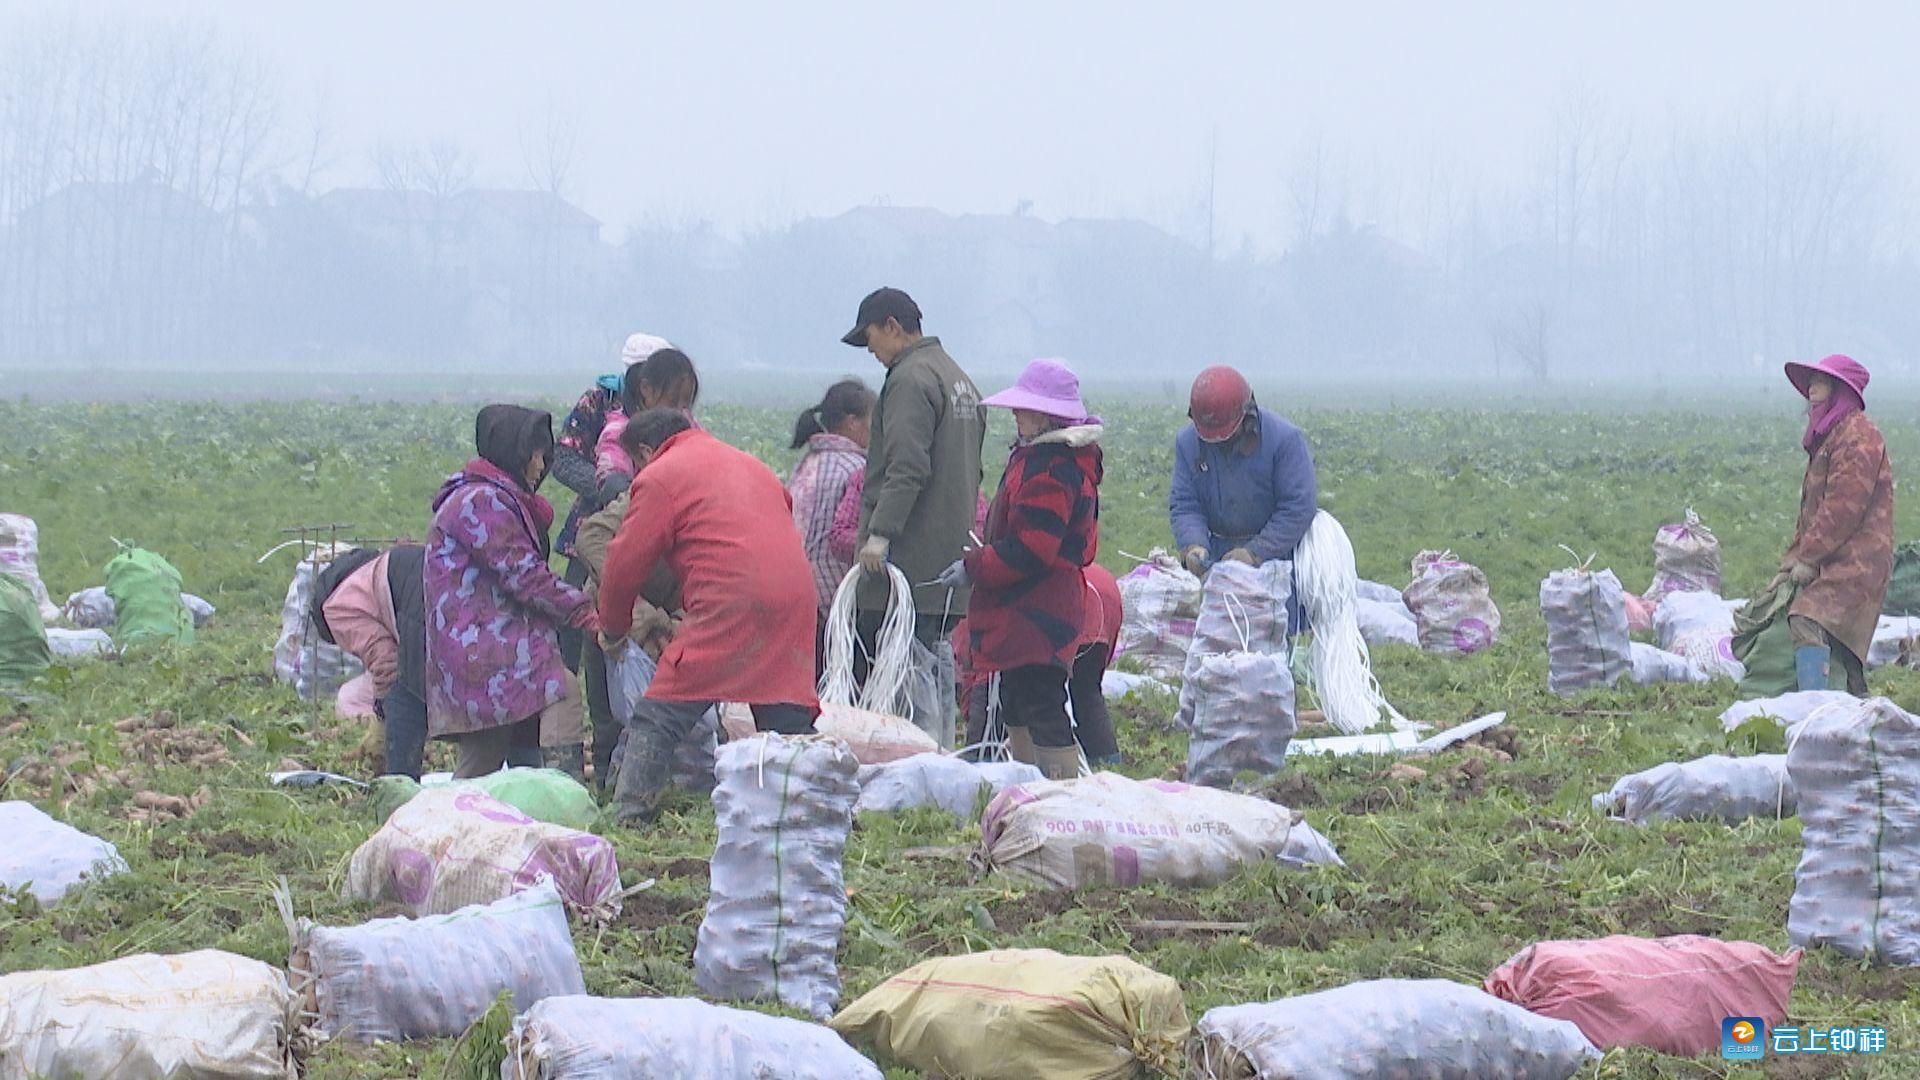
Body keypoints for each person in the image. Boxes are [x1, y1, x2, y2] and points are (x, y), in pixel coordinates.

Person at [597, 409, 820, 823]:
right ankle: (825, 804)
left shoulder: (661, 475)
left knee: (659, 715)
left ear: (646, 451)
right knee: (782, 715)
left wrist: (612, 627)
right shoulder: (748, 464)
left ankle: (628, 816)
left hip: (731, 597)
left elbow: (624, 564)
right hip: (795, 595)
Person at [938, 359, 1102, 780]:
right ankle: (1029, 785)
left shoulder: (1051, 469)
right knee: (1017, 699)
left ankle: (1061, 794)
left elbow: (1033, 549)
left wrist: (975, 566)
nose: (1016, 414)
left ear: (1047, 416)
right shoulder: (1040, 460)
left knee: (1042, 701)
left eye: (1025, 409)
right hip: (1027, 610)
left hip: (1040, 612)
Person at [841, 286, 985, 744]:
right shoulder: (957, 377)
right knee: (935, 663)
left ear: (892, 327)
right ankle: (940, 752)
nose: (873, 353)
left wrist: (880, 534)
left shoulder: (909, 379)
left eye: (871, 340)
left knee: (905, 673)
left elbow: (906, 466)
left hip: (911, 562)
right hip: (947, 561)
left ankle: (917, 765)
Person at [426, 405, 597, 779]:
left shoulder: (487, 496)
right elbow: (525, 575)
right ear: (515, 454)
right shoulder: (482, 502)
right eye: (536, 455)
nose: (541, 466)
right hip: (484, 649)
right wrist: (583, 611)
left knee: (497, 747)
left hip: (486, 644)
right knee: (559, 688)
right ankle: (558, 796)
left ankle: (523, 801)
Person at [1772, 354, 1895, 694]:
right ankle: (1856, 709)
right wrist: (1792, 559)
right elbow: (1812, 511)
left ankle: (1816, 709)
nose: (1812, 389)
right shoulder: (1829, 438)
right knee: (1842, 647)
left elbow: (1842, 508)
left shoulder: (1858, 437)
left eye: (1821, 382)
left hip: (1858, 559)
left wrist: (1809, 558)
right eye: (1811, 382)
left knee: (1807, 618)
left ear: (1840, 389)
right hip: (1835, 554)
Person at [957, 559, 1124, 768]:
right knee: (1087, 690)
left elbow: (984, 685)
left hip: (1060, 600)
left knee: (1040, 701)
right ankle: (1107, 764)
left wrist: (976, 752)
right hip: (1101, 592)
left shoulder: (972, 625)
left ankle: (1047, 777)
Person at [1169, 365, 1318, 576]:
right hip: (1216, 557)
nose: (1218, 442)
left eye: (1224, 434)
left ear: (1247, 416)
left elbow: (1298, 506)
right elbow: (1185, 502)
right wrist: (1193, 544)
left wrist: (1255, 552)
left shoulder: (1285, 440)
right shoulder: (1187, 443)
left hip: (1278, 559)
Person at [313, 543, 430, 779]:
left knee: (403, 694)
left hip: (421, 602)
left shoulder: (335, 608)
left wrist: (382, 719)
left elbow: (387, 663)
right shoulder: (377, 570)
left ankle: (401, 789)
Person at [788, 379, 876, 675]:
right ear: (853, 423)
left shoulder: (808, 463)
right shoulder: (855, 469)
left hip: (795, 589)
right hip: (833, 598)